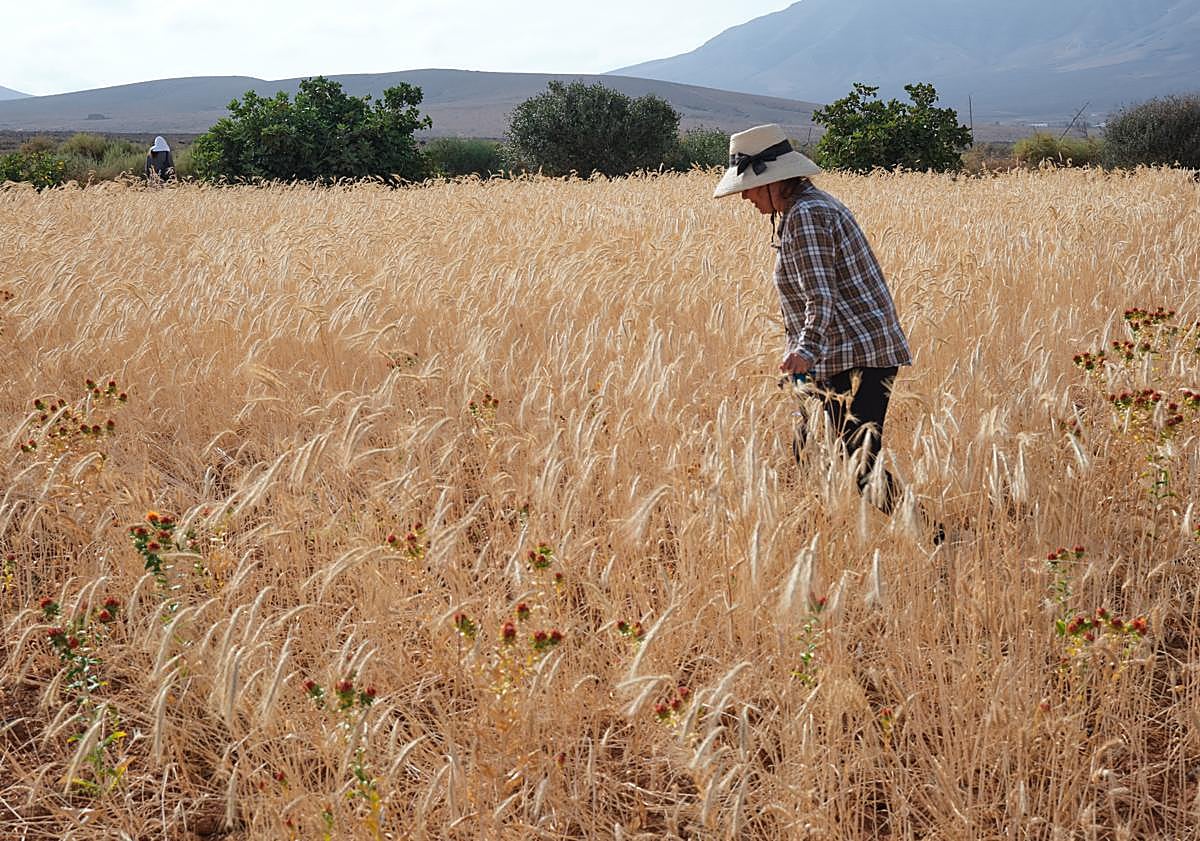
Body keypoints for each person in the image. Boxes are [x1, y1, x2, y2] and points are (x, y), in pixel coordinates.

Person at [713, 124, 942, 544]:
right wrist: (800, 356)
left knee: (859, 462)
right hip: (837, 352)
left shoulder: (808, 215)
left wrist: (802, 352)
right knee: (808, 450)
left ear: (773, 181)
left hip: (862, 354)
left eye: (749, 187)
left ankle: (934, 539)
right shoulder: (799, 211)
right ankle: (807, 541)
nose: (744, 196)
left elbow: (821, 297)